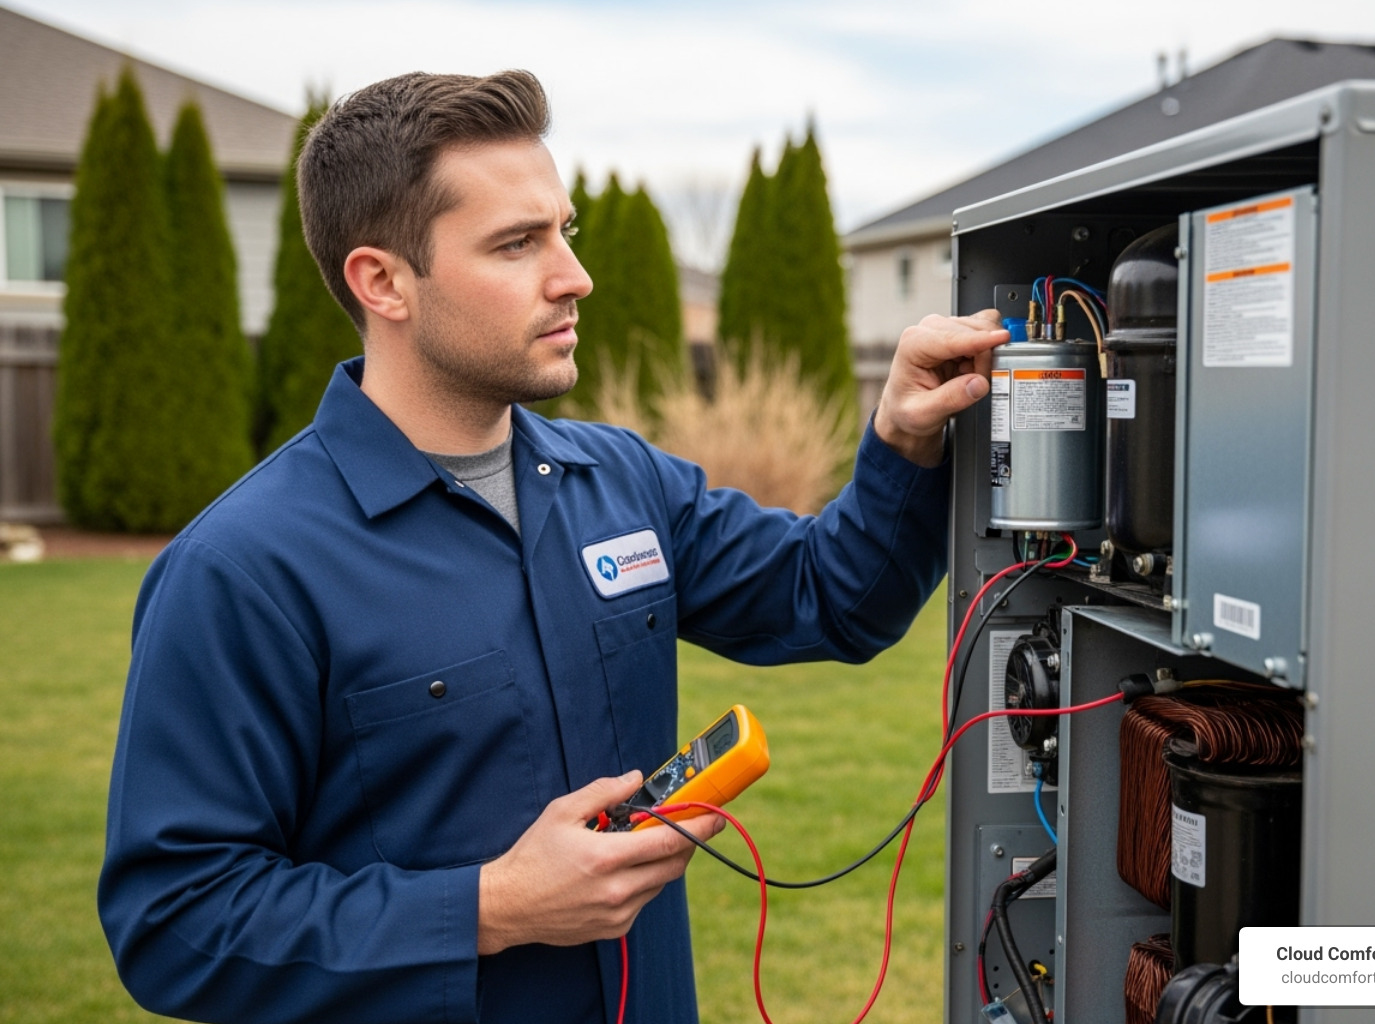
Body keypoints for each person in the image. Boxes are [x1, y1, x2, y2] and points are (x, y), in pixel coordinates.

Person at [98, 70, 1006, 1024]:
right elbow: (174, 921)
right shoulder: (244, 569)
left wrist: (906, 434)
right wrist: (489, 909)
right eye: (516, 243)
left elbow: (837, 596)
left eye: (562, 231)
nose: (573, 275)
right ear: (383, 282)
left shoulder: (621, 482)